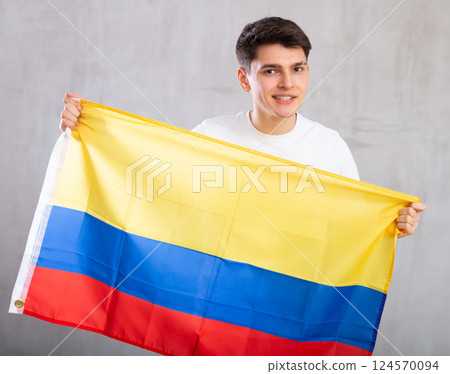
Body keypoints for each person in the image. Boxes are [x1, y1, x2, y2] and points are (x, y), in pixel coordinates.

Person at [59, 16, 425, 237]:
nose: (288, 83)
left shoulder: (330, 148)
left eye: (297, 69)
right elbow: (145, 191)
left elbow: (349, 230)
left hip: (292, 309)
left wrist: (392, 225)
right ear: (244, 78)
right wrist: (88, 132)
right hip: (219, 309)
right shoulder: (210, 136)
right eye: (270, 71)